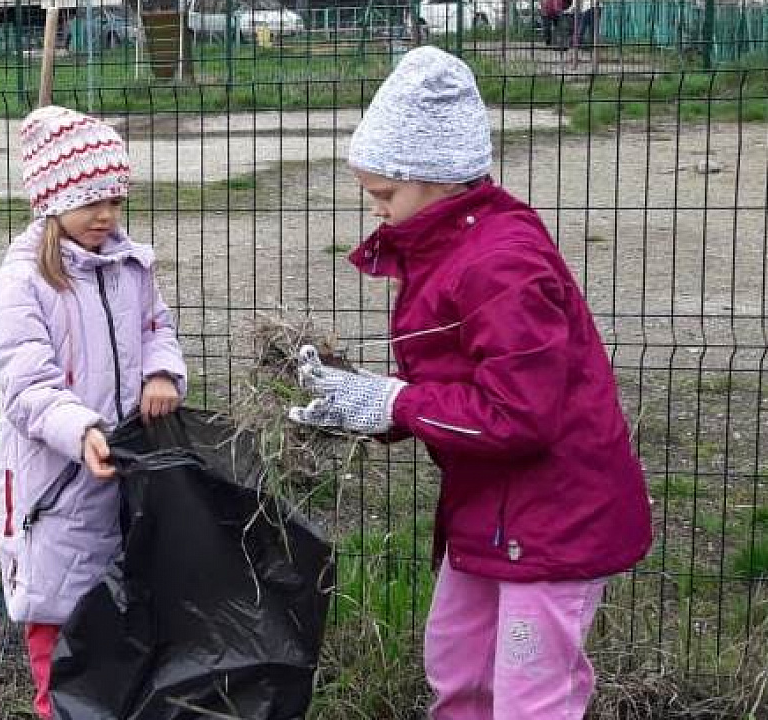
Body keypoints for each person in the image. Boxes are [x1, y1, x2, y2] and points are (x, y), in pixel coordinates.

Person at [288, 47, 652, 719]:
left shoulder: (500, 264)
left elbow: (520, 415)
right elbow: (458, 380)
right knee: (457, 665)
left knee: (529, 697)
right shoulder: (450, 249)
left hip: (555, 520)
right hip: (491, 510)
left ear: (435, 177)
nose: (377, 212)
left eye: (384, 195)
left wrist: (399, 401)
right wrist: (373, 407)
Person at [0, 105, 187, 719]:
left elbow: (158, 328)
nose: (106, 215)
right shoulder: (23, 282)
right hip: (59, 490)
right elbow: (26, 386)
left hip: (125, 477)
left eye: (116, 201)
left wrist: (160, 371)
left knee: (118, 631)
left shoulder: (131, 266)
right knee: (59, 638)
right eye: (91, 201)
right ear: (52, 200)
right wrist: (81, 431)